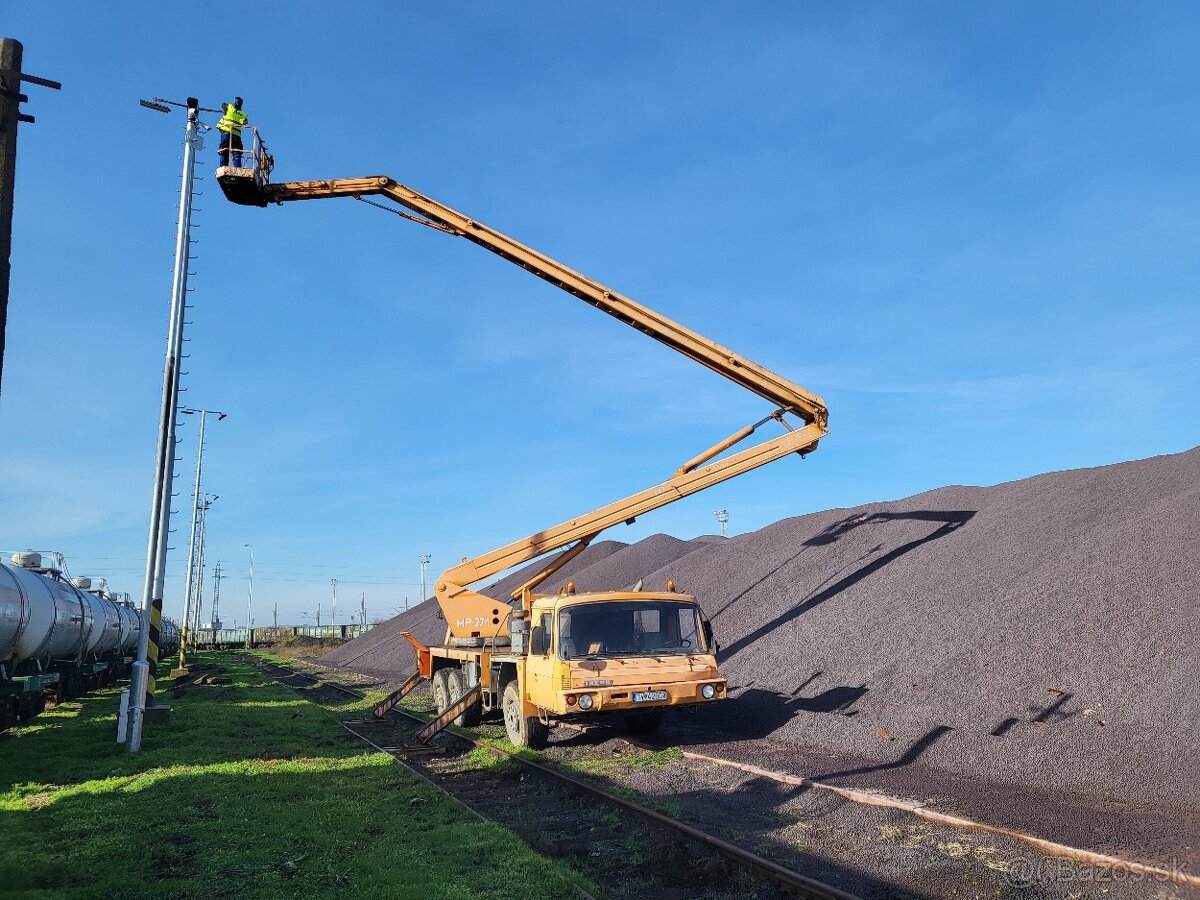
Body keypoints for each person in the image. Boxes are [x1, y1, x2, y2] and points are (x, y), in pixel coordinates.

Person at [217, 97, 248, 167]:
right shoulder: (243, 114)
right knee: (236, 152)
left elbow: (223, 105)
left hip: (227, 133)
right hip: (236, 135)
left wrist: (225, 110)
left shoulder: (229, 107)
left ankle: (224, 166)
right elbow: (245, 122)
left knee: (225, 150)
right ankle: (237, 167)